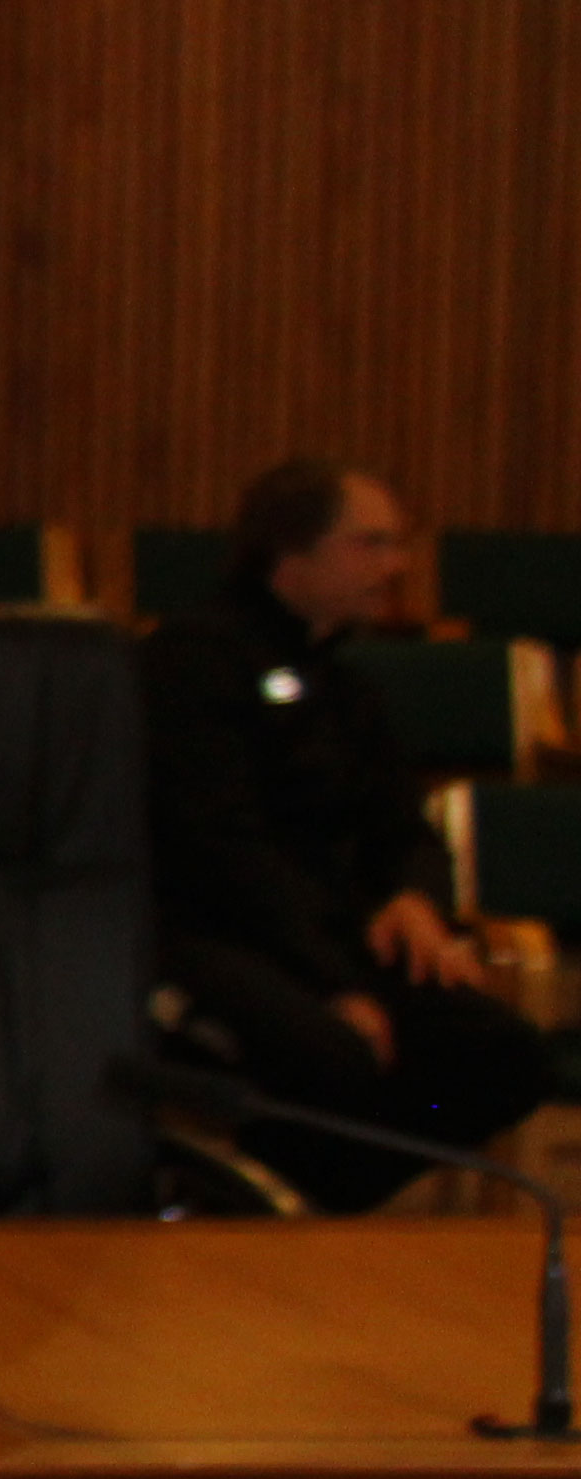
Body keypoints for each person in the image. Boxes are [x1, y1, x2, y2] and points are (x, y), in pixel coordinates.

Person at [142, 460, 555, 1208]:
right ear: (291, 554)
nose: (395, 567)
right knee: (335, 1056)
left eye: (397, 545)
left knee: (504, 1055)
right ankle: (260, 1188)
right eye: (371, 544)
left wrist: (414, 900)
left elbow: (404, 825)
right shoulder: (192, 663)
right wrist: (332, 984)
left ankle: (300, 1184)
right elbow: (222, 851)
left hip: (335, 937)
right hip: (220, 935)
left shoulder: (344, 682)